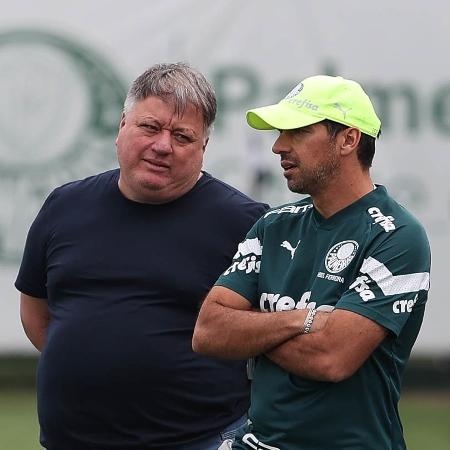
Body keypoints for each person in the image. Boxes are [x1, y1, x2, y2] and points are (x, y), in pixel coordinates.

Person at [15, 62, 269, 450]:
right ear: (121, 126)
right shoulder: (65, 205)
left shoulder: (246, 223)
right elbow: (36, 312)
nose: (162, 145)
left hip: (200, 440)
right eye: (149, 128)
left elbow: (269, 332)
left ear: (203, 147)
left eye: (182, 136)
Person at [192, 75, 431, 450]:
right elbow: (208, 332)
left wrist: (248, 329)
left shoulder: (397, 235)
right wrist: (303, 320)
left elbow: (331, 358)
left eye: (297, 132)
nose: (278, 146)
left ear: (348, 140)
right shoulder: (273, 225)